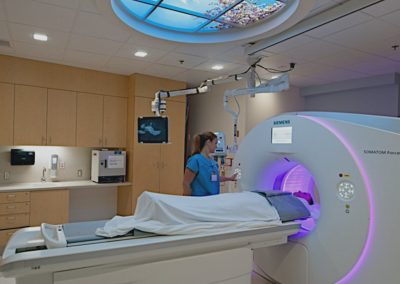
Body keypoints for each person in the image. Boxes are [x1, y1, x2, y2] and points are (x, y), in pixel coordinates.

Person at [183, 131, 237, 196]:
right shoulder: (195, 160)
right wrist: (187, 202)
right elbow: (186, 183)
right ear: (208, 142)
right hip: (198, 201)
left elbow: (214, 179)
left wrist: (230, 178)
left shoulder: (213, 162)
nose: (216, 146)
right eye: (215, 143)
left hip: (212, 200)